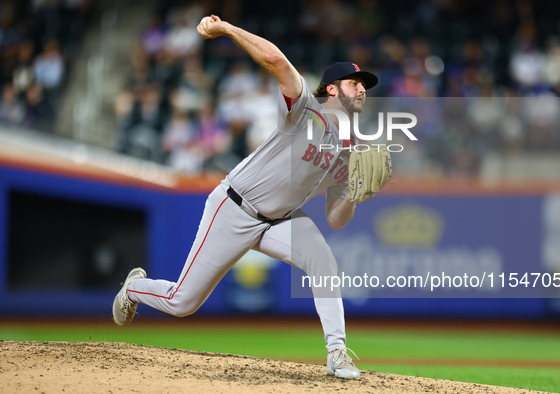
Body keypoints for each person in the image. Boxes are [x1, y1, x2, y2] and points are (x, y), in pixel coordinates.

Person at [112, 15, 379, 380]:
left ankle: (337, 353)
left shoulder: (349, 147)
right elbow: (276, 61)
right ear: (332, 89)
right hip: (235, 207)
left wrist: (353, 194)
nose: (362, 89)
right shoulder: (305, 110)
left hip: (282, 219)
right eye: (354, 83)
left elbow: (335, 218)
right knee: (182, 302)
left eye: (365, 86)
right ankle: (134, 288)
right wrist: (227, 29)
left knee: (324, 263)